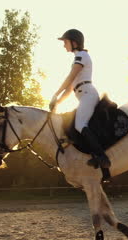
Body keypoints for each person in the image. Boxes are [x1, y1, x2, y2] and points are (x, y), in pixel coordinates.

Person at [49, 29, 111, 169]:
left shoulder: (82, 55)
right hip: (83, 95)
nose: (64, 45)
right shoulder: (78, 58)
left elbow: (70, 77)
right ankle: (92, 155)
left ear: (74, 42)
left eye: (65, 42)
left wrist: (55, 94)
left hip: (87, 94)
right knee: (72, 124)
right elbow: (70, 88)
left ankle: (102, 157)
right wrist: (57, 103)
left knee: (80, 124)